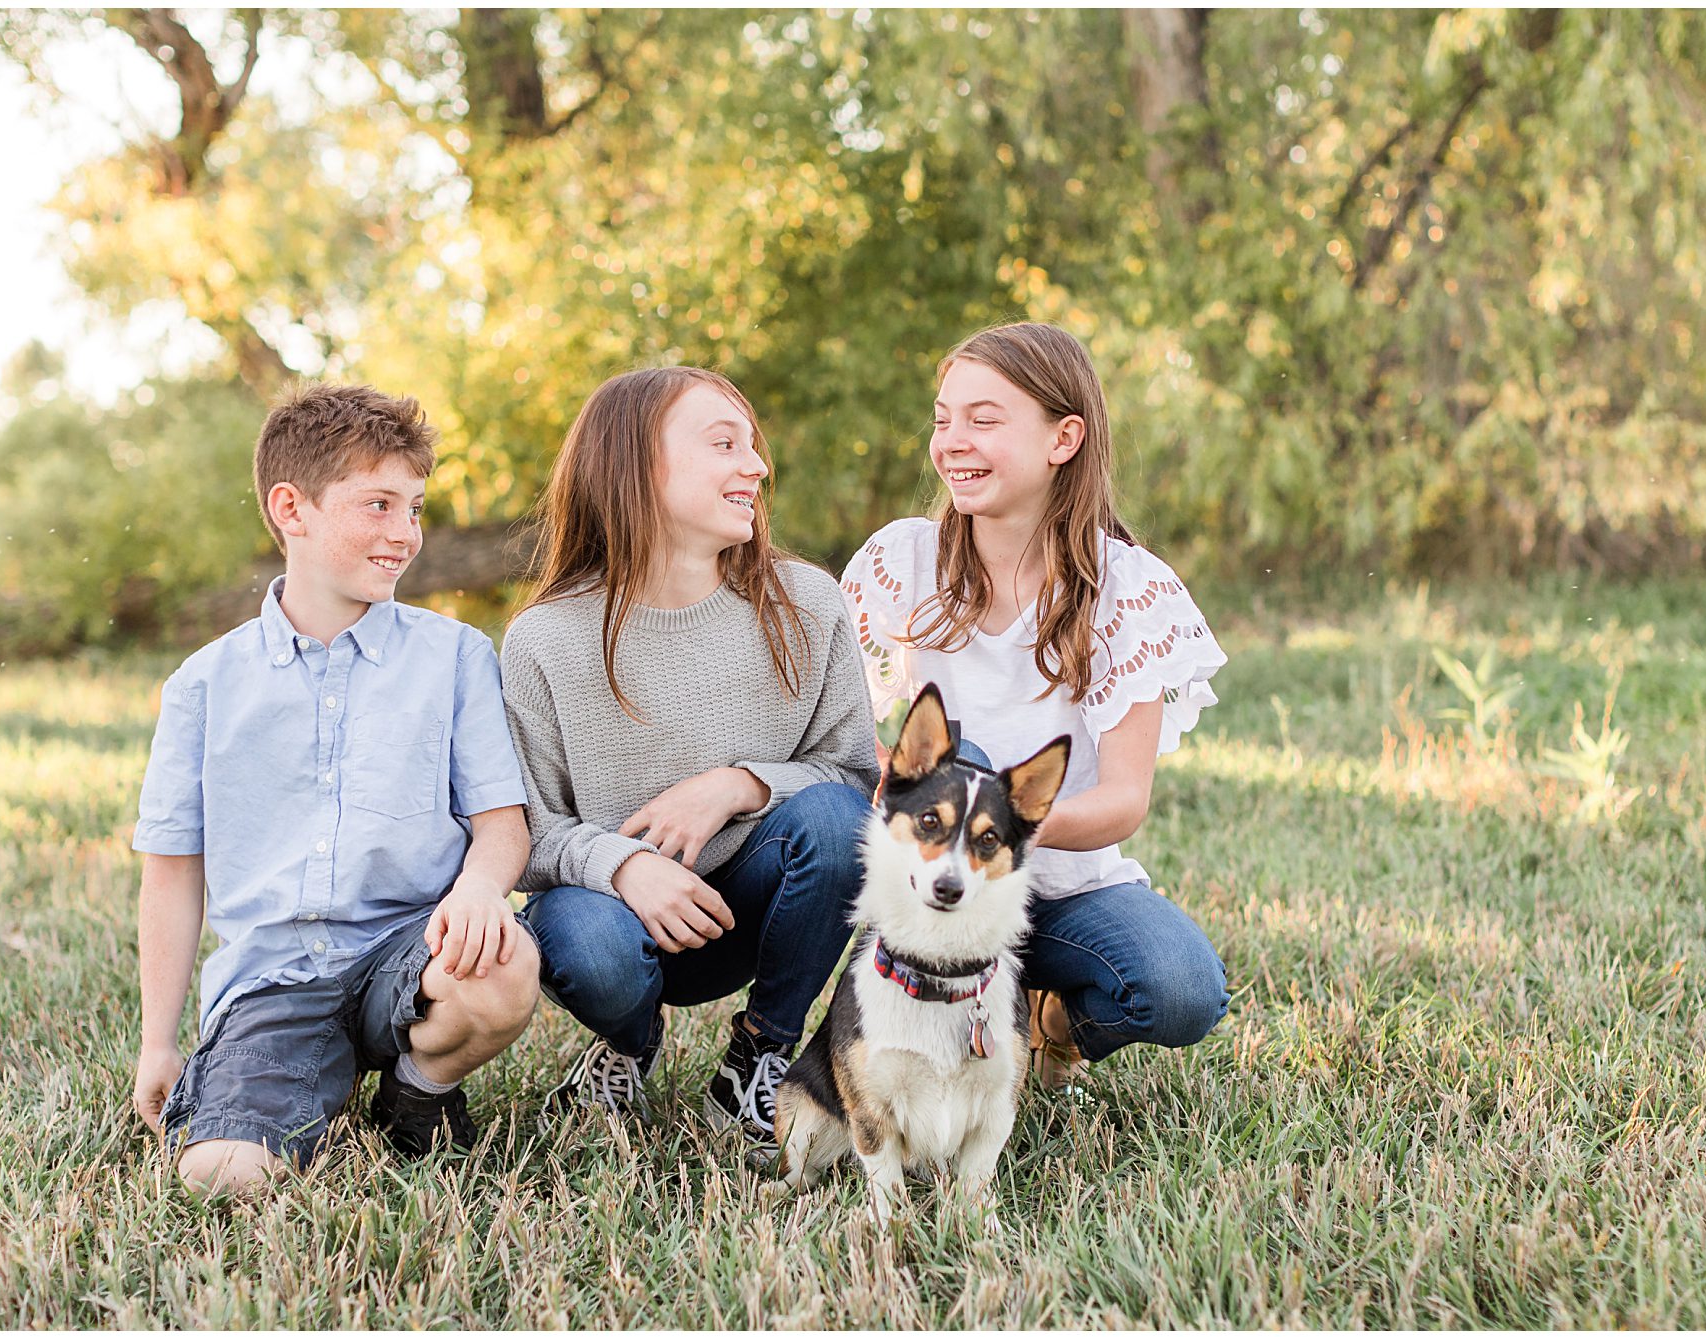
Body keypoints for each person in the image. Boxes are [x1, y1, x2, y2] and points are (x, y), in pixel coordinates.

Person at [130, 382, 539, 1193]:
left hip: (411, 951)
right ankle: (284, 1083)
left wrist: (480, 890)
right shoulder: (203, 685)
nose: (405, 534)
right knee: (219, 1176)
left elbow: (503, 824)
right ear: (293, 508)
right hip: (273, 978)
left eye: (414, 508)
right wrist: (158, 1041)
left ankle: (417, 1092)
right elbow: (173, 870)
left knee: (503, 968)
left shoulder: (455, 658)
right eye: (379, 505)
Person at [839, 321, 1230, 1089]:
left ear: (1064, 438)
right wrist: (904, 787)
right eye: (943, 418)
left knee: (1183, 987)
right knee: (961, 770)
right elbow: (839, 732)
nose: (953, 440)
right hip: (930, 894)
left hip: (1058, 888)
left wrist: (996, 822)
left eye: (984, 420)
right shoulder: (904, 560)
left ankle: (1046, 1015)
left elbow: (1122, 800)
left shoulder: (1129, 588)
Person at [500, 366, 879, 1147]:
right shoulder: (544, 639)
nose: (758, 467)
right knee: (594, 947)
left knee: (842, 823)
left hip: (756, 905)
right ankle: (629, 1044)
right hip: (609, 916)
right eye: (725, 444)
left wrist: (737, 785)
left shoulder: (806, 603)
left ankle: (761, 1053)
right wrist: (626, 866)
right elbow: (527, 834)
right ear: (638, 464)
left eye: (754, 446)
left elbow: (854, 776)